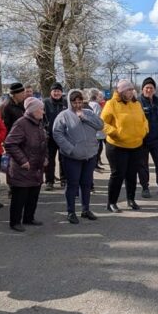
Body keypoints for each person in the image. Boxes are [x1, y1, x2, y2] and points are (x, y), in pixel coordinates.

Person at [53, 89, 104, 224]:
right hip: (72, 157)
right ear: (70, 102)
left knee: (86, 184)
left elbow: (100, 125)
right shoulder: (63, 116)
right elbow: (57, 133)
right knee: (72, 184)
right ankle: (71, 212)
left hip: (89, 155)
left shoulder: (88, 113)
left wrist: (85, 117)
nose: (78, 105)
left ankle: (85, 209)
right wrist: (70, 149)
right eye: (75, 103)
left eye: (80, 102)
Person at [100, 78, 149, 213]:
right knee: (117, 175)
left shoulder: (136, 104)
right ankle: (111, 202)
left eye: (132, 89)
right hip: (117, 146)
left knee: (132, 174)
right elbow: (102, 123)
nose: (131, 92)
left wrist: (144, 130)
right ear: (121, 91)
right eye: (128, 90)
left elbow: (144, 120)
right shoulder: (111, 104)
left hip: (136, 145)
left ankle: (131, 200)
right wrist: (115, 133)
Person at [4, 97, 48, 231]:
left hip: (36, 167)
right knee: (20, 196)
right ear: (33, 110)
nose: (43, 112)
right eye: (41, 109)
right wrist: (23, 161)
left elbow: (43, 143)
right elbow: (10, 143)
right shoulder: (21, 123)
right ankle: (15, 222)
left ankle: (29, 218)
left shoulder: (38, 123)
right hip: (23, 168)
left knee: (33, 195)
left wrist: (45, 157)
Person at [137, 77, 158, 198]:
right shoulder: (137, 102)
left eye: (151, 88)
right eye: (147, 88)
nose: (149, 90)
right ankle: (145, 188)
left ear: (154, 89)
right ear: (142, 89)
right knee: (143, 165)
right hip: (143, 140)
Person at [43, 81, 68, 191]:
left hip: (63, 136)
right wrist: (45, 129)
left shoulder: (66, 102)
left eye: (58, 91)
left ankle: (64, 180)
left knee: (63, 159)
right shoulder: (45, 102)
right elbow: (42, 118)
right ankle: (49, 181)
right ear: (51, 92)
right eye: (54, 91)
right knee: (49, 160)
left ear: (61, 92)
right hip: (50, 137)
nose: (57, 93)